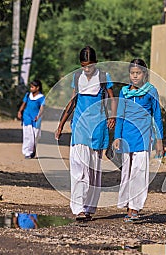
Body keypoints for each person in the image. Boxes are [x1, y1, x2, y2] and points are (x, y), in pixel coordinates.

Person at [55, 46, 116, 221]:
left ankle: (89, 207)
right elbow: (73, 100)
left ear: (95, 63)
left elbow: (112, 98)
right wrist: (61, 124)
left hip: (97, 128)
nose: (87, 69)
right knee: (78, 169)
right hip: (80, 127)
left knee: (94, 171)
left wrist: (112, 116)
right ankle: (78, 208)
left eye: (89, 66)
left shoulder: (104, 77)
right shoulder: (77, 77)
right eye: (83, 66)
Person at [112, 58, 164, 222]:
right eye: (132, 73)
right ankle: (128, 205)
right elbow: (120, 115)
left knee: (139, 173)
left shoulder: (151, 91)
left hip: (143, 137)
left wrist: (159, 140)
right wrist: (117, 136)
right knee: (127, 172)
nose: (135, 76)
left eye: (138, 73)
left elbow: (156, 116)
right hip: (126, 137)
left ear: (144, 74)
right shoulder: (124, 92)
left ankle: (134, 208)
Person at [17, 79, 45, 159]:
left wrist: (39, 116)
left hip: (36, 118)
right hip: (27, 116)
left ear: (37, 88)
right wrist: (20, 111)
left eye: (32, 87)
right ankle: (27, 152)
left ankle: (33, 149)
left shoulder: (41, 97)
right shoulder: (28, 95)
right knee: (27, 135)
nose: (31, 89)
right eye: (31, 87)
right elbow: (24, 104)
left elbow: (42, 108)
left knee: (35, 135)